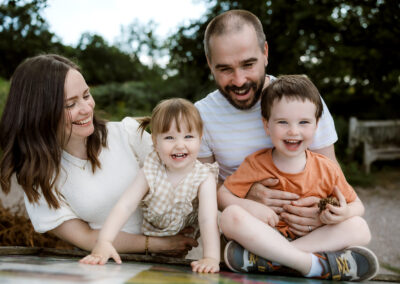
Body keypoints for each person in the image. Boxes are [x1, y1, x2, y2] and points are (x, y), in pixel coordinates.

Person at [0, 54, 197, 256]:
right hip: (112, 266)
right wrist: (161, 244)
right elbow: (86, 237)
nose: (86, 109)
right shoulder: (39, 178)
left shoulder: (127, 135)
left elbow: (190, 175)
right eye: (70, 104)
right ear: (39, 113)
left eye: (86, 95)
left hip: (178, 260)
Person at [218, 75, 378, 281]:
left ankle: (272, 259)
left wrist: (343, 212)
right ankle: (313, 265)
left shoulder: (326, 168)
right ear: (266, 125)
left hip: (314, 238)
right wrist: (249, 206)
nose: (293, 131)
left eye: (304, 122)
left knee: (359, 227)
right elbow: (223, 194)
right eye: (282, 122)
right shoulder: (256, 163)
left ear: (317, 124)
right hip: (267, 235)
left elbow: (357, 205)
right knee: (230, 215)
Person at [195, 9, 337, 235]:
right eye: (225, 69)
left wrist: (321, 211)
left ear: (265, 53)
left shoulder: (302, 100)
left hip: (309, 226)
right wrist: (245, 195)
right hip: (247, 230)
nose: (239, 80)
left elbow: (332, 172)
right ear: (210, 64)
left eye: (248, 65)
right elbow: (203, 187)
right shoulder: (200, 115)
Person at [80, 98, 220, 273]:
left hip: (192, 248)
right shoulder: (151, 169)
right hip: (151, 245)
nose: (179, 144)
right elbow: (125, 205)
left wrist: (211, 257)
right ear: (155, 141)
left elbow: (208, 220)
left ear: (200, 139)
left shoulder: (204, 177)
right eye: (169, 137)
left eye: (188, 136)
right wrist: (105, 241)